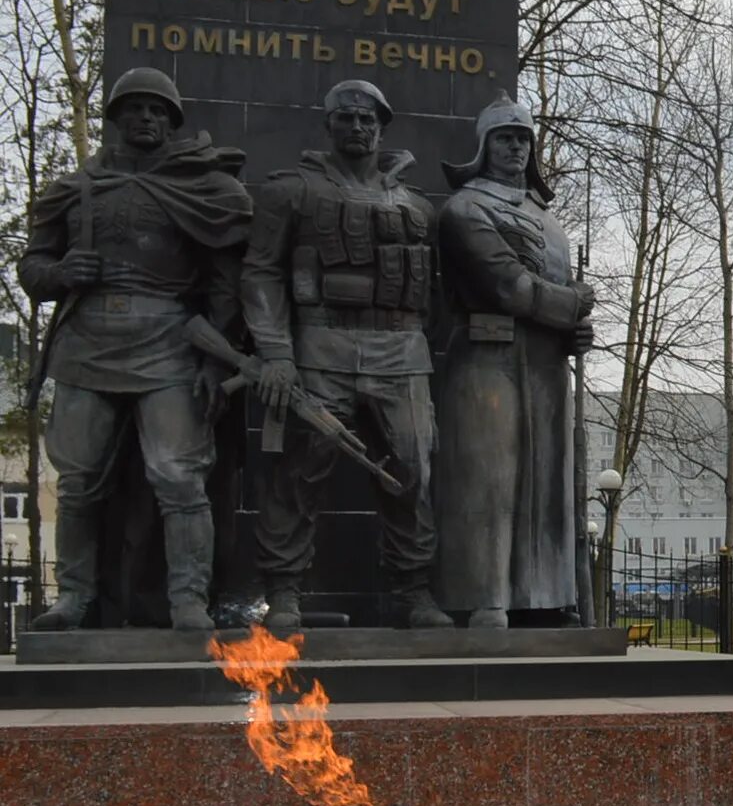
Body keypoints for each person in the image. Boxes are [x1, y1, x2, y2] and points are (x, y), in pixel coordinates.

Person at [16, 69, 254, 633]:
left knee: (178, 477)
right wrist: (60, 272)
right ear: (115, 118)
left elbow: (226, 280)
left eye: (157, 110)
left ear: (171, 122)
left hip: (169, 339)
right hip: (88, 342)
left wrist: (214, 355)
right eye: (135, 108)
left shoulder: (202, 187)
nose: (146, 118)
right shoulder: (72, 189)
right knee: (77, 482)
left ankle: (188, 600)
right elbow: (32, 266)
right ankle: (74, 597)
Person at [241, 79, 451, 629]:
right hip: (319, 348)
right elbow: (261, 272)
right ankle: (284, 589)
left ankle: (413, 590)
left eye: (368, 119)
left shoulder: (415, 206)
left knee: (413, 473)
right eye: (347, 118)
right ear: (328, 125)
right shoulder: (290, 191)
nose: (358, 127)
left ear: (382, 127)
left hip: (402, 352)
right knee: (299, 472)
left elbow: (435, 290)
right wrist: (276, 352)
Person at [433, 99, 595, 627]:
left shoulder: (546, 220)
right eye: (504, 137)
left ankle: (544, 599)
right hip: (487, 359)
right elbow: (509, 285)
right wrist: (575, 304)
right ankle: (485, 598)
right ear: (483, 146)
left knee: (546, 484)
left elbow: (551, 288)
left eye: (523, 139)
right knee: (490, 483)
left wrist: (575, 331)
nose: (515, 147)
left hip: (545, 366)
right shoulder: (464, 209)